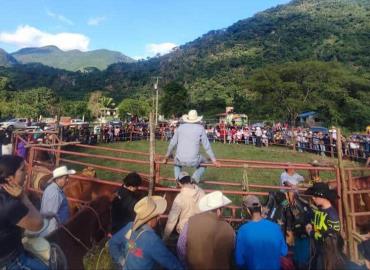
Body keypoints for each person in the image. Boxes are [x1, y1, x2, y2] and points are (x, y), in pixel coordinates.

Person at [109, 196, 183, 270]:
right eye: (156, 216)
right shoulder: (152, 240)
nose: (158, 218)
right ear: (150, 219)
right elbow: (172, 263)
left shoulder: (130, 226)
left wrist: (122, 261)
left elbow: (112, 242)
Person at [0, 155, 47, 269]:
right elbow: (38, 224)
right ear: (9, 178)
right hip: (10, 260)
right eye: (22, 170)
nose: (26, 174)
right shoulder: (9, 203)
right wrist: (23, 197)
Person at [177, 191, 234, 269]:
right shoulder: (229, 230)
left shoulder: (190, 222)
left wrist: (185, 266)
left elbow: (180, 247)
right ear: (219, 210)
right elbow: (232, 254)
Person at [163, 110, 220, 183]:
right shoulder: (200, 128)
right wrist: (214, 160)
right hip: (194, 160)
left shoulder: (180, 127)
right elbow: (207, 146)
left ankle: (178, 180)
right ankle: (194, 178)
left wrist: (166, 156)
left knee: (176, 164)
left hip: (180, 158)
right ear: (197, 119)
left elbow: (172, 143)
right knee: (205, 162)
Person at [235, 195, 288, 270]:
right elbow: (283, 252)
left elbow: (239, 261)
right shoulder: (276, 227)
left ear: (248, 210)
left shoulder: (243, 231)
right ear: (260, 208)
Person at [305, 182, 341, 270]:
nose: (313, 198)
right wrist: (310, 224)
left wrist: (311, 232)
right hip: (317, 250)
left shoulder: (332, 215)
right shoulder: (318, 210)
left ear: (323, 197)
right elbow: (314, 222)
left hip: (328, 253)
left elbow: (331, 236)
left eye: (315, 196)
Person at [163, 171, 205, 241]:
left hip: (185, 231)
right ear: (190, 180)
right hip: (201, 229)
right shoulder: (202, 192)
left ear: (179, 183)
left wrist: (165, 237)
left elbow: (172, 219)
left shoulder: (180, 198)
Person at [40, 165, 76, 236]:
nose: (67, 180)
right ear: (57, 179)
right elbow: (52, 216)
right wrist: (55, 234)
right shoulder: (56, 194)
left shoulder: (51, 188)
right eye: (65, 178)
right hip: (54, 231)